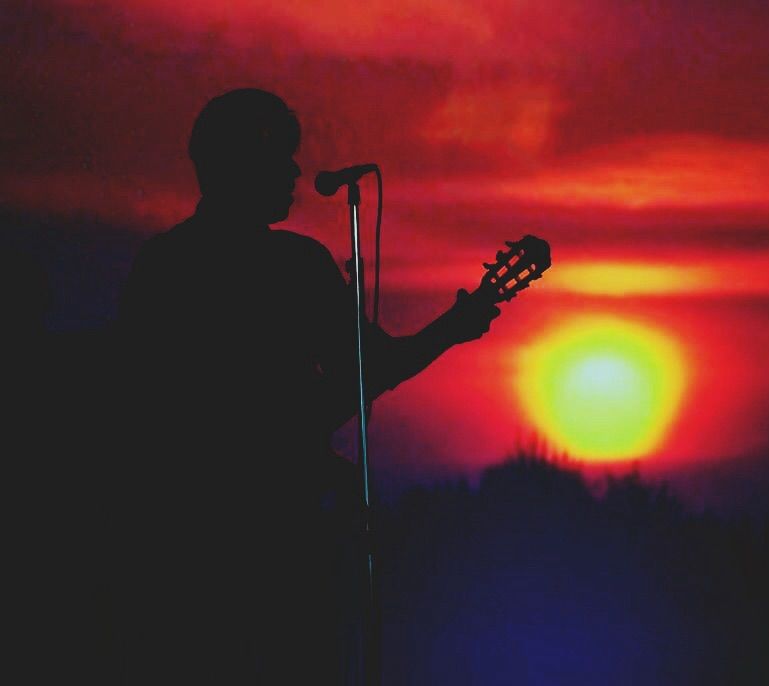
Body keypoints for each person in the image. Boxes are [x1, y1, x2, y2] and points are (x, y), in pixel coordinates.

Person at [114, 88, 500, 684]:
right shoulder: (295, 265)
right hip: (271, 546)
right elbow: (366, 371)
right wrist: (451, 329)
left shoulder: (162, 263)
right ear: (243, 164)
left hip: (182, 549)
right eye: (281, 157)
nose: (296, 171)